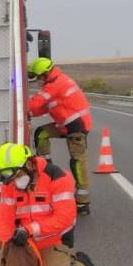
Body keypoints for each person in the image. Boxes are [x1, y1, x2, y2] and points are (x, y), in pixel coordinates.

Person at [0, 143, 100, 266]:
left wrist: (29, 230)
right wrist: (9, 245)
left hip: (54, 242)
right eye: (11, 177)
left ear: (28, 164)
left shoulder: (57, 177)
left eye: (18, 175)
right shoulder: (10, 184)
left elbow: (65, 218)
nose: (15, 180)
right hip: (22, 243)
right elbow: (4, 218)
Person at [27, 57, 92, 214]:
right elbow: (41, 108)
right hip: (65, 125)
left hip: (76, 127)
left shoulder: (55, 84)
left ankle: (83, 202)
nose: (37, 82)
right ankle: (47, 168)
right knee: (41, 133)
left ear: (45, 74)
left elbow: (35, 103)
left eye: (38, 78)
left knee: (77, 162)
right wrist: (28, 112)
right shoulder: (54, 83)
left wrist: (21, 104)